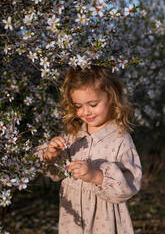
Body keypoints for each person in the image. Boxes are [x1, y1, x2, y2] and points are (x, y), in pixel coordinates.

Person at [35, 65, 142, 234]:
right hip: (73, 218)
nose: (85, 112)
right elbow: (57, 173)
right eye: (78, 106)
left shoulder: (120, 140)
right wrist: (52, 154)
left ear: (112, 98)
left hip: (104, 219)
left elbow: (129, 186)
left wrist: (96, 176)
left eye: (93, 104)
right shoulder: (73, 135)